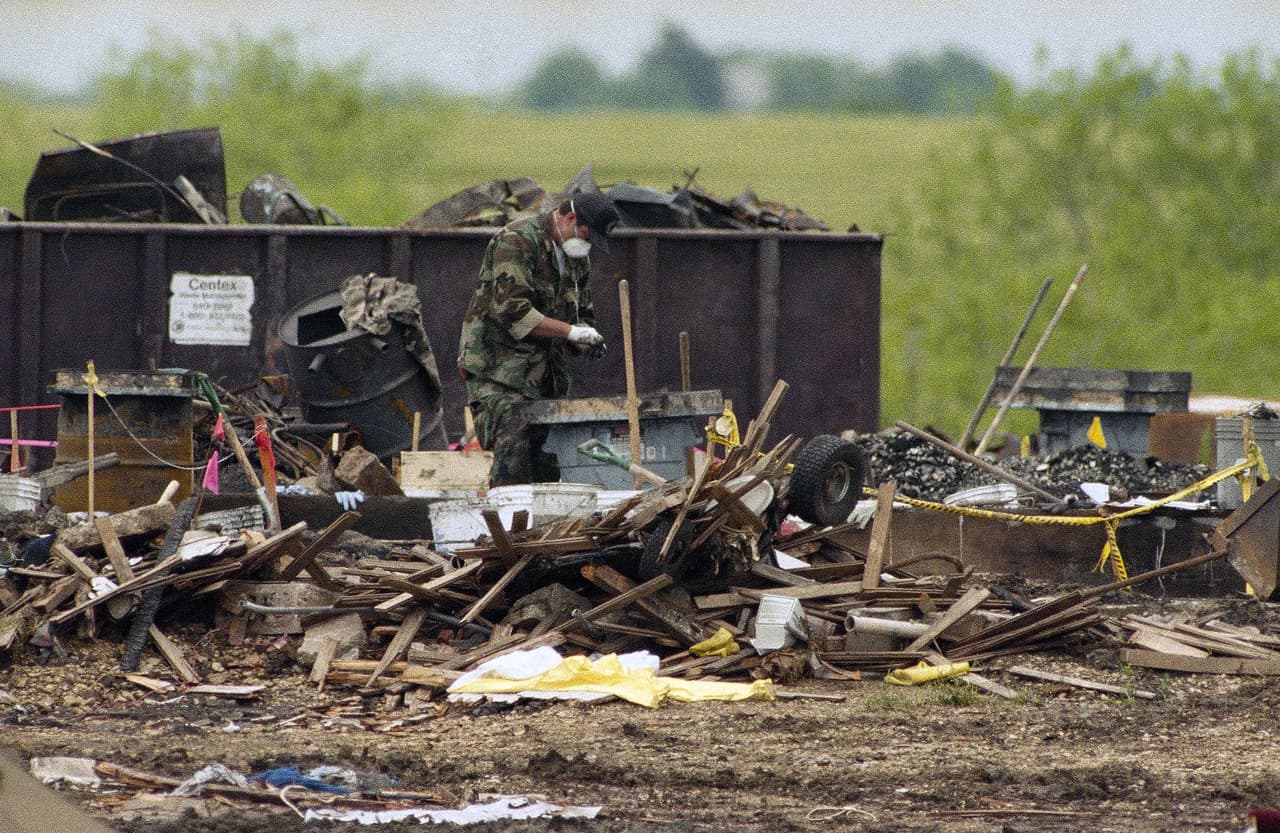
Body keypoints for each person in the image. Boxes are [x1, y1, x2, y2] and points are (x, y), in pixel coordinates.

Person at [457, 192, 621, 486]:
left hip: (544, 377)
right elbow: (513, 311)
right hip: (499, 371)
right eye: (586, 234)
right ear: (570, 218)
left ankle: (544, 528)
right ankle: (508, 523)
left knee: (549, 461)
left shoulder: (576, 259)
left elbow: (582, 312)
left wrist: (585, 338)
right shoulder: (517, 241)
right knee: (513, 445)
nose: (588, 243)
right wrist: (570, 332)